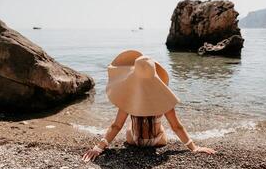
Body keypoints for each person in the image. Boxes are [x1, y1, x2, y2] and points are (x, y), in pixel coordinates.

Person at [82, 50, 216, 162]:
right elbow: (177, 127)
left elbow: (116, 126)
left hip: (134, 140)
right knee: (161, 126)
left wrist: (98, 148)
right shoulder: (164, 97)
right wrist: (194, 147)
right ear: (155, 73)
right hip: (157, 141)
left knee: (129, 125)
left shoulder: (128, 96)